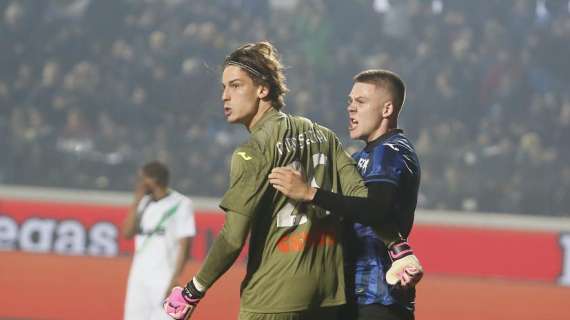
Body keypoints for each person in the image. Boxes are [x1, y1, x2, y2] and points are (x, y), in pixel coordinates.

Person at [163, 41, 376, 320]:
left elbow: (232, 238)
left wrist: (193, 290)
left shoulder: (252, 152)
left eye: (236, 85)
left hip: (273, 297)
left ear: (263, 89)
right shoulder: (324, 135)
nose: (225, 96)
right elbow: (361, 200)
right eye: (223, 87)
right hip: (327, 296)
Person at [268, 69, 422, 320]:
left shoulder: (390, 151)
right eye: (350, 101)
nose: (351, 108)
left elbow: (375, 209)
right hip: (349, 294)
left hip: (377, 297)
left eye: (361, 102)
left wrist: (310, 193)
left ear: (386, 110)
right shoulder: (362, 156)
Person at [123, 161, 196, 320]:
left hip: (164, 277)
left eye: (142, 179)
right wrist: (136, 202)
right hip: (138, 277)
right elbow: (127, 233)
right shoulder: (143, 203)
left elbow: (185, 246)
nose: (139, 183)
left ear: (153, 180)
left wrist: (174, 279)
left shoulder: (181, 204)